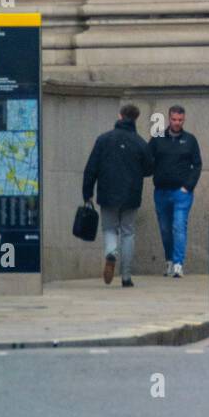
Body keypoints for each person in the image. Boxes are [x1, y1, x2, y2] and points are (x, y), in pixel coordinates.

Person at [82, 103, 153, 288]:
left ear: (120, 116)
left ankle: (111, 252)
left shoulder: (103, 140)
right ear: (136, 118)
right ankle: (126, 276)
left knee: (109, 228)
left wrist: (87, 192)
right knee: (128, 232)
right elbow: (149, 169)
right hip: (131, 194)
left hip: (107, 192)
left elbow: (91, 168)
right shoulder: (140, 142)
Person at [150, 104, 202, 278]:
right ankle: (169, 261)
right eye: (174, 119)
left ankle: (178, 264)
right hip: (161, 191)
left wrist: (188, 186)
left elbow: (197, 164)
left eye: (180, 120)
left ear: (184, 119)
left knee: (179, 227)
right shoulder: (157, 138)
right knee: (165, 229)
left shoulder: (190, 140)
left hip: (182, 193)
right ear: (169, 118)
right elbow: (148, 160)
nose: (177, 123)